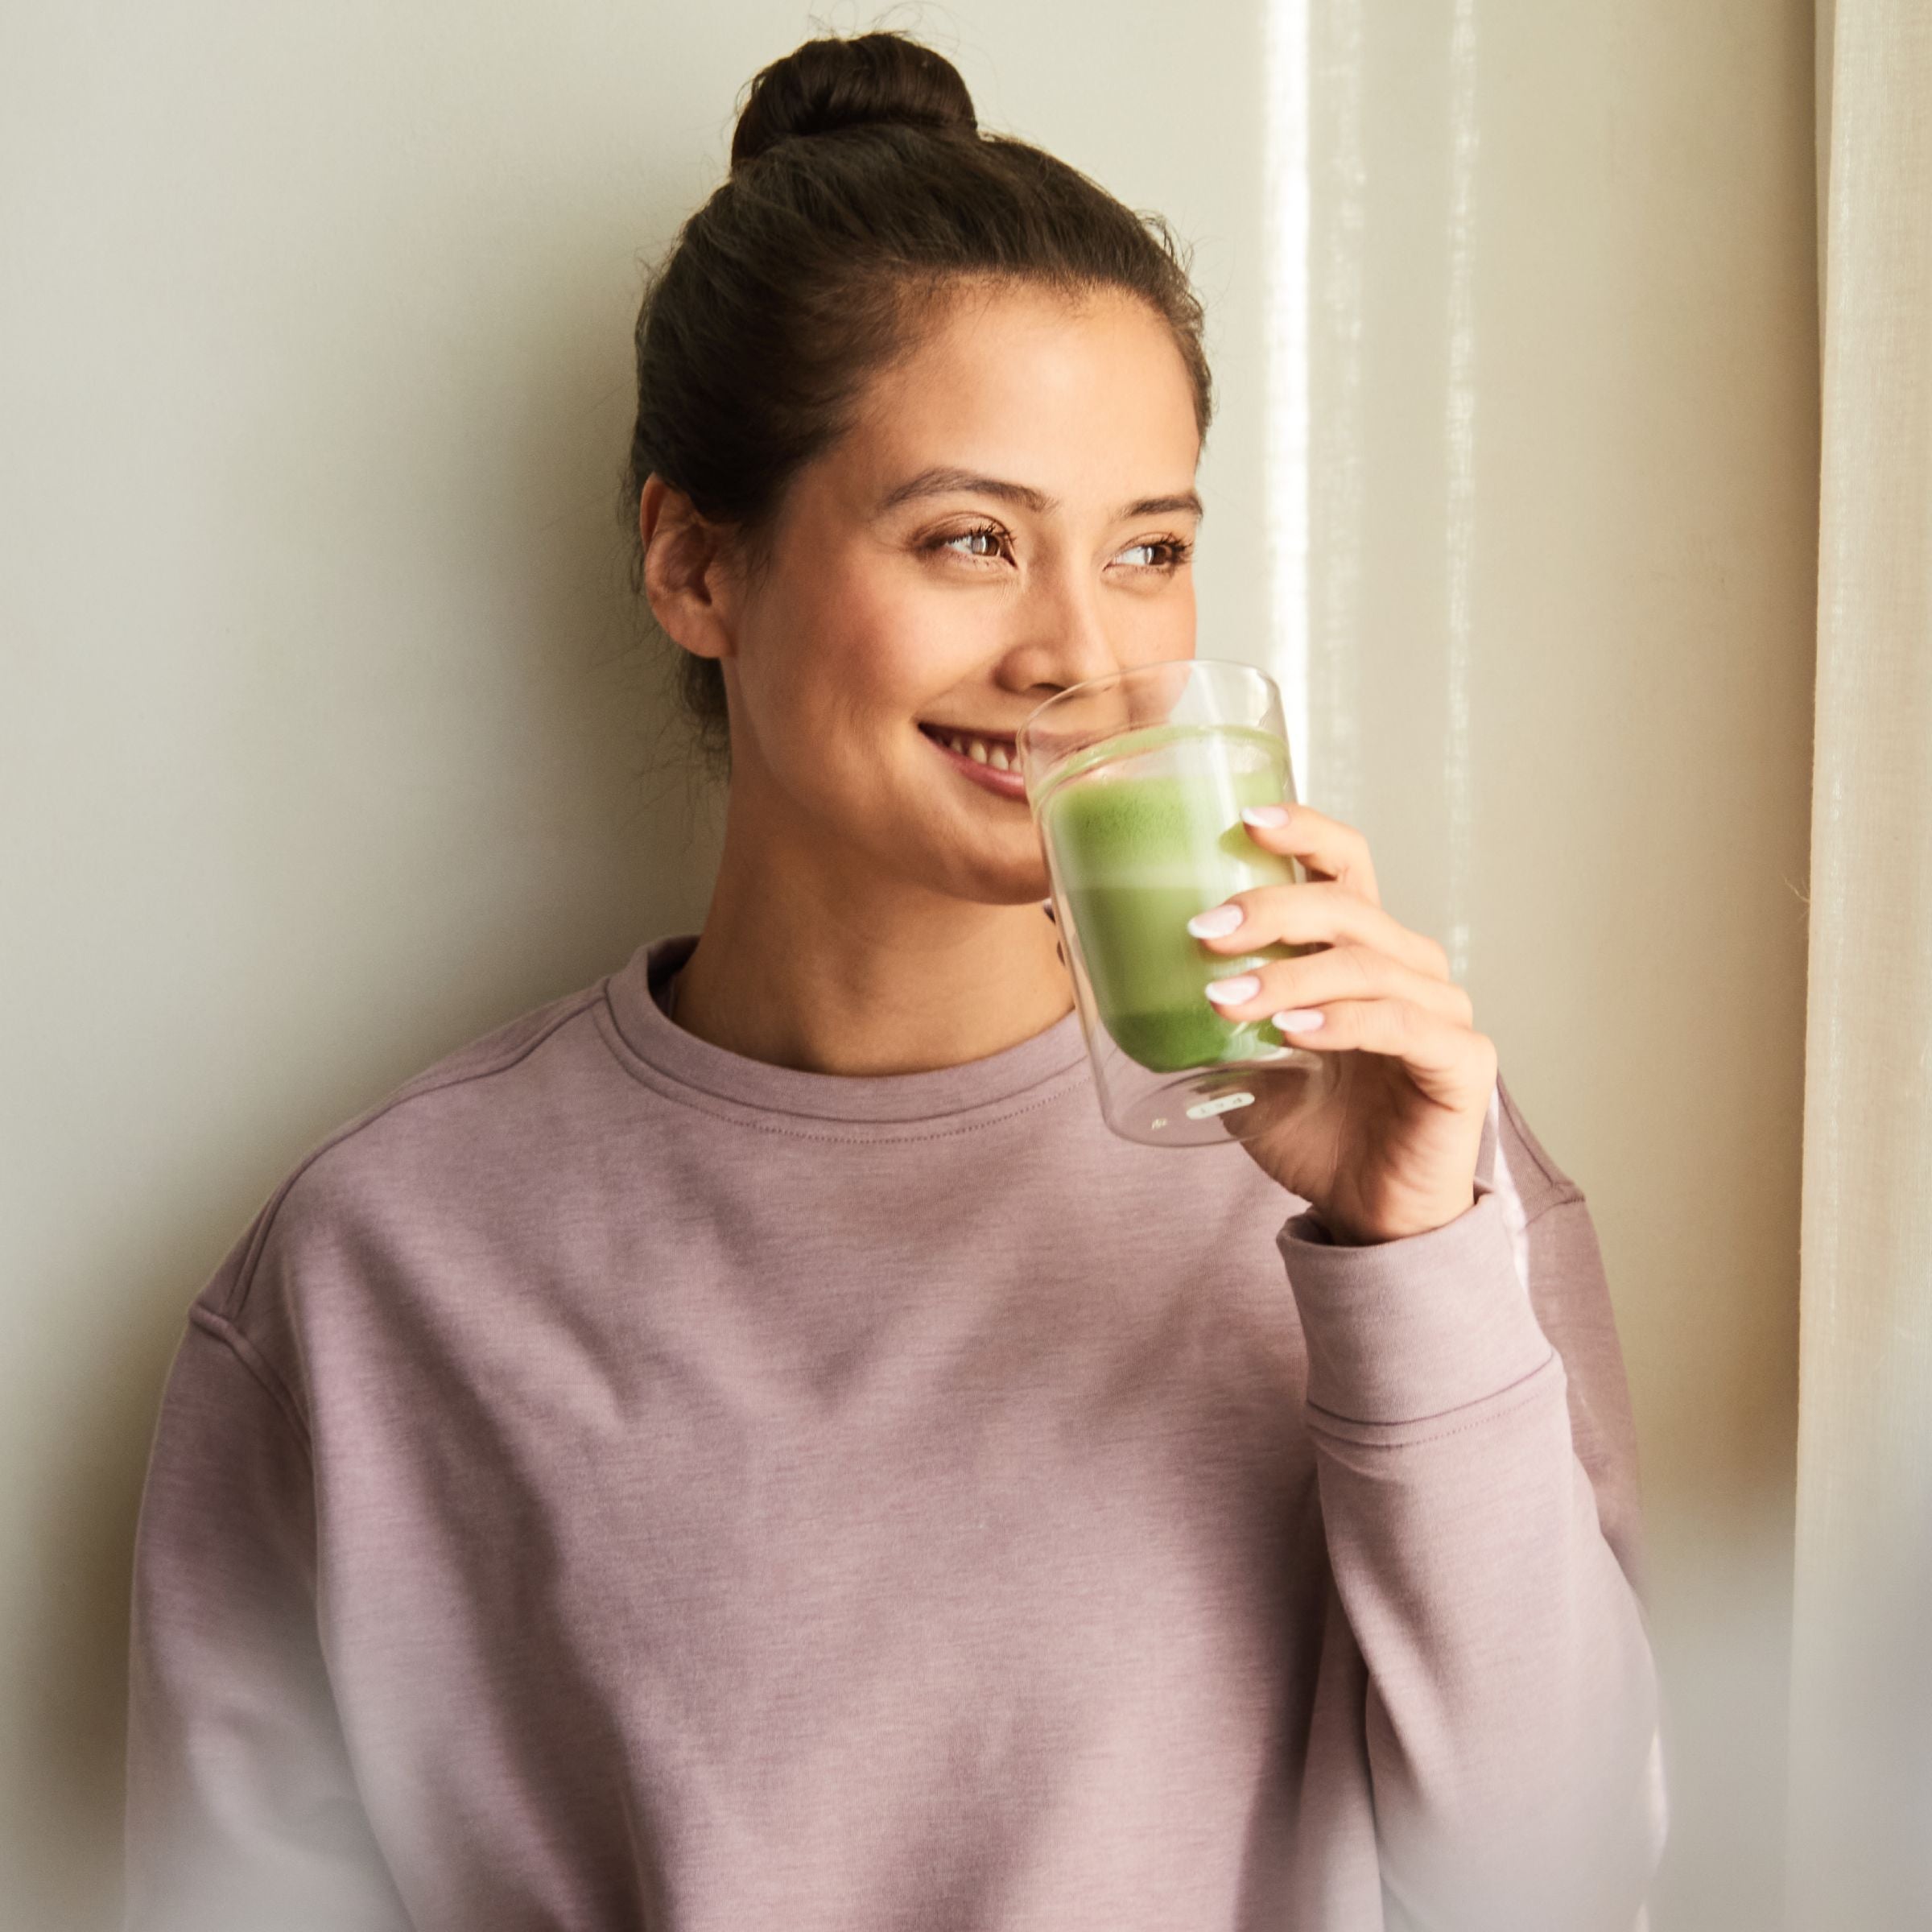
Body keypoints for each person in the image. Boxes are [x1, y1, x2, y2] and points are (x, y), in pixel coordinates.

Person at [125, 31, 1662, 1932]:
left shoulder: (1423, 1167)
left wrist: (1413, 1267)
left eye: (1151, 550)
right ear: (698, 566)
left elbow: (1565, 1891)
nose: (1075, 652)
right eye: (968, 540)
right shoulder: (380, 1268)